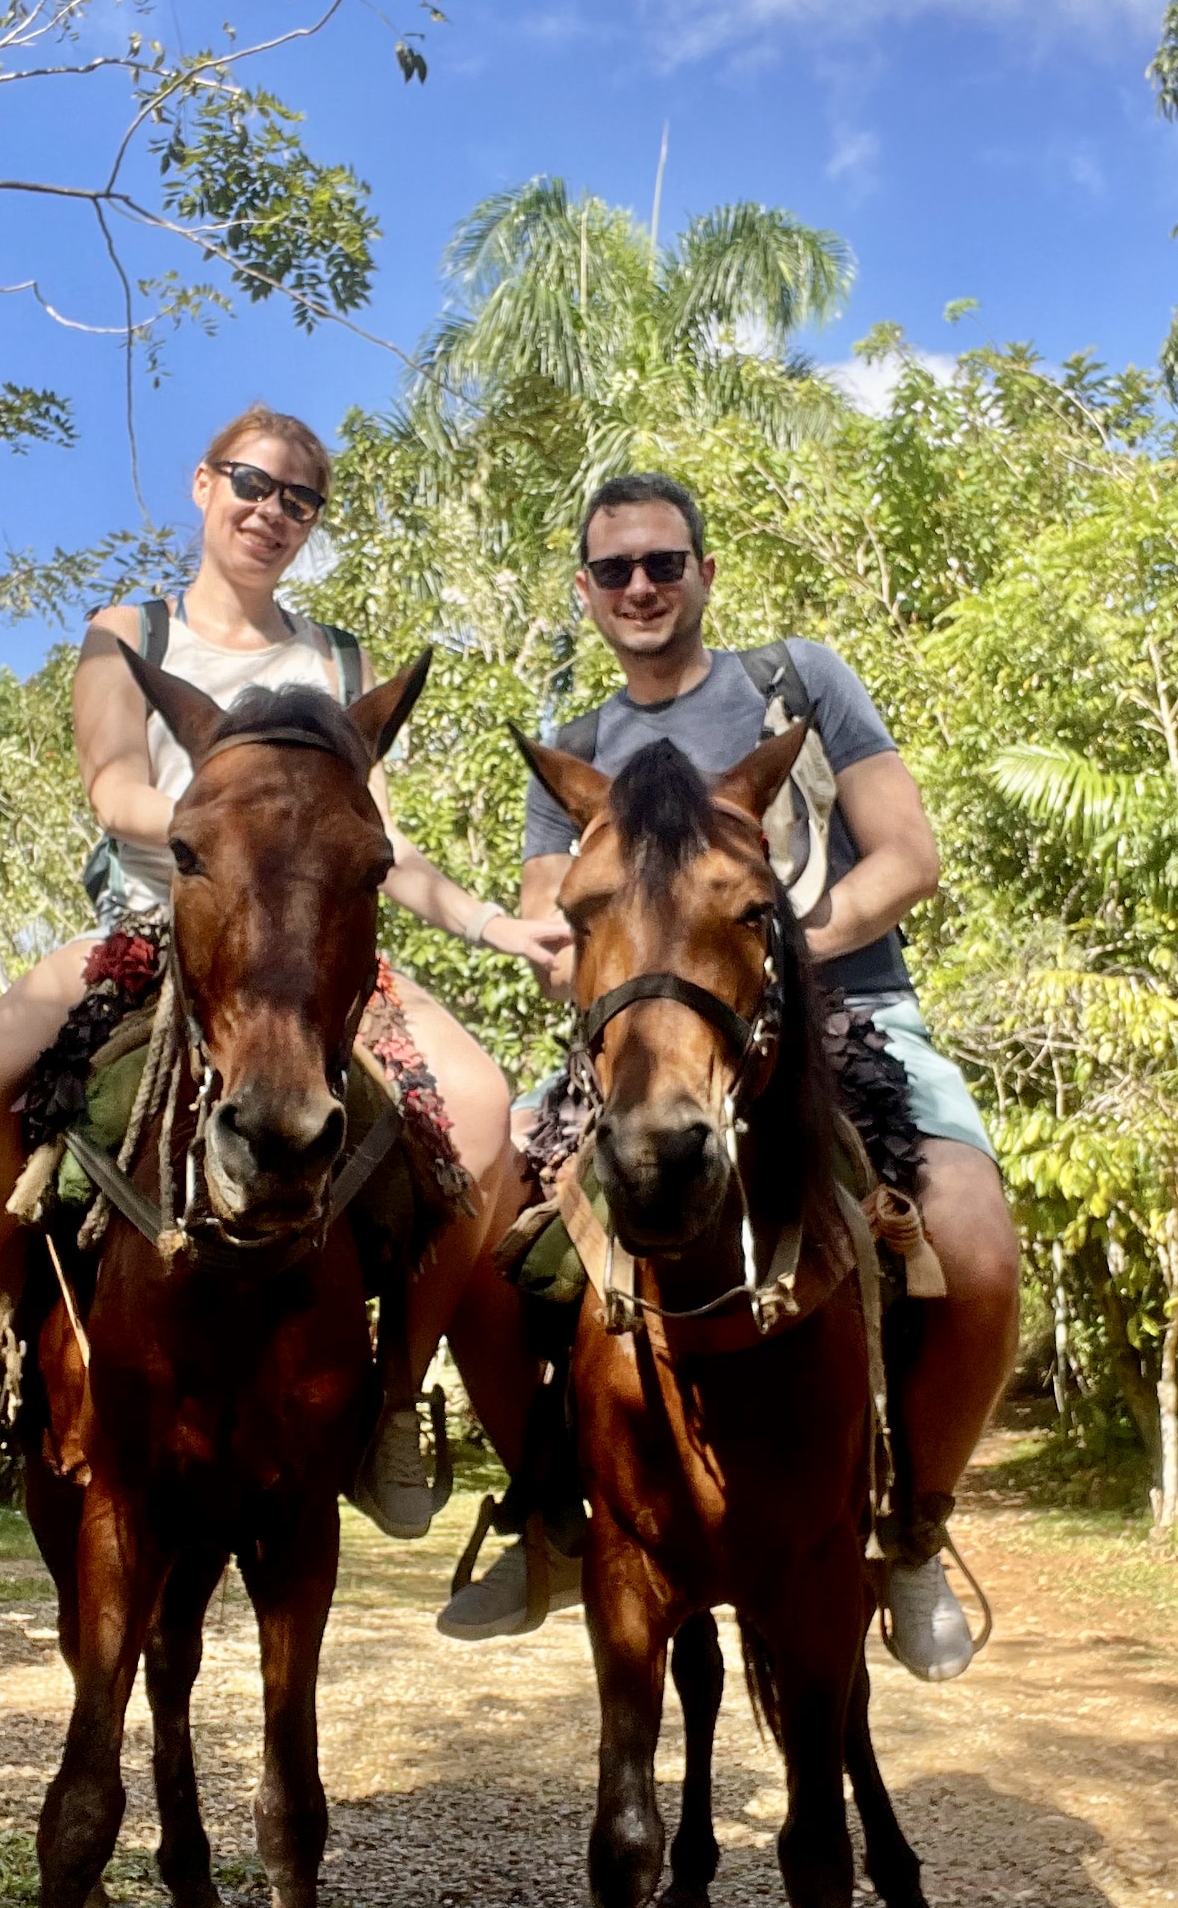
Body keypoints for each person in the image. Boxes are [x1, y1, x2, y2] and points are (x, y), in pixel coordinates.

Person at [0, 403, 568, 1531]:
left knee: (485, 1109)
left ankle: (394, 1395)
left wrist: (501, 926)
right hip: (161, 916)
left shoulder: (338, 659)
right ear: (204, 484)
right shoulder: (134, 631)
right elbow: (114, 790)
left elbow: (380, 843)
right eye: (253, 484)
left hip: (317, 945)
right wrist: (243, 838)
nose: (273, 511)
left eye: (299, 498)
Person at [437, 470, 1021, 1680]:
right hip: (652, 1040)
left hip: (841, 1009)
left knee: (972, 1241)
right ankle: (545, 1508)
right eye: (614, 571)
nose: (640, 586)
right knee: (482, 1248)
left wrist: (773, 949)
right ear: (590, 593)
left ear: (702, 572)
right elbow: (556, 927)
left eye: (662, 563)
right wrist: (617, 963)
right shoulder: (583, 747)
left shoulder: (798, 681)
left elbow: (908, 856)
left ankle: (914, 1532)